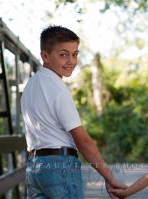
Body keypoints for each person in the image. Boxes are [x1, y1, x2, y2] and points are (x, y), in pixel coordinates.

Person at [21, 25, 126, 199]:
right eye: (63, 55)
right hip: (59, 167)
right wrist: (109, 177)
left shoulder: (30, 87)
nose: (71, 61)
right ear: (45, 56)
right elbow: (83, 141)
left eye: (75, 54)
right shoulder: (57, 89)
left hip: (34, 168)